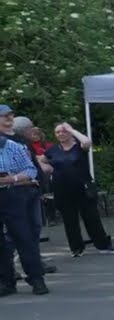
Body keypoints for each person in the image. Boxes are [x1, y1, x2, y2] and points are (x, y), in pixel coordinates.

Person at [47, 122, 114, 256]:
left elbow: (87, 141)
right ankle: (76, 248)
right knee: (69, 221)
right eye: (58, 132)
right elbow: (41, 161)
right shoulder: (52, 150)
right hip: (62, 189)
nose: (61, 134)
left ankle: (103, 245)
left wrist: (72, 129)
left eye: (64, 131)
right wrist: (49, 170)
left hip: (83, 188)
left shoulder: (79, 147)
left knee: (92, 218)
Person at [0, 106, 48, 296]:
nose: (9, 119)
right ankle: (6, 281)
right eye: (5, 116)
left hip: (13, 194)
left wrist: (12, 178)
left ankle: (36, 279)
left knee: (23, 237)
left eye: (11, 116)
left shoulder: (14, 146)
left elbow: (31, 170)